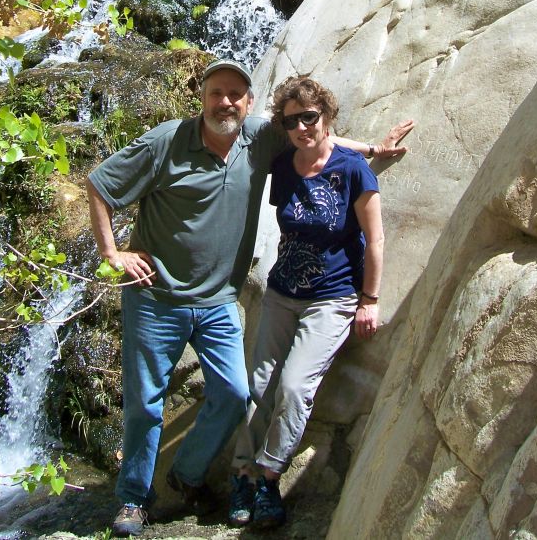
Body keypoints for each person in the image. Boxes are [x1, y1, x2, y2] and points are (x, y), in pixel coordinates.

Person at [86, 59, 413, 537]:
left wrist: (373, 149)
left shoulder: (258, 138)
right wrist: (112, 252)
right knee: (144, 404)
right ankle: (134, 500)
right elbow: (100, 183)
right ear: (202, 97)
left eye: (236, 94)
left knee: (236, 394)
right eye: (217, 93)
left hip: (219, 300)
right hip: (156, 298)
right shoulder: (166, 141)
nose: (226, 102)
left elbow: (318, 139)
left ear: (249, 103)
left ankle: (188, 475)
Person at [228, 76, 389, 530]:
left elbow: (375, 238)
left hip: (333, 299)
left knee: (295, 387)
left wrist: (370, 299)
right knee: (258, 385)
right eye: (292, 120)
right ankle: (242, 472)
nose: (302, 127)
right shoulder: (284, 166)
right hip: (282, 293)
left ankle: (268, 476)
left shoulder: (353, 170)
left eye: (310, 117)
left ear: (327, 117)